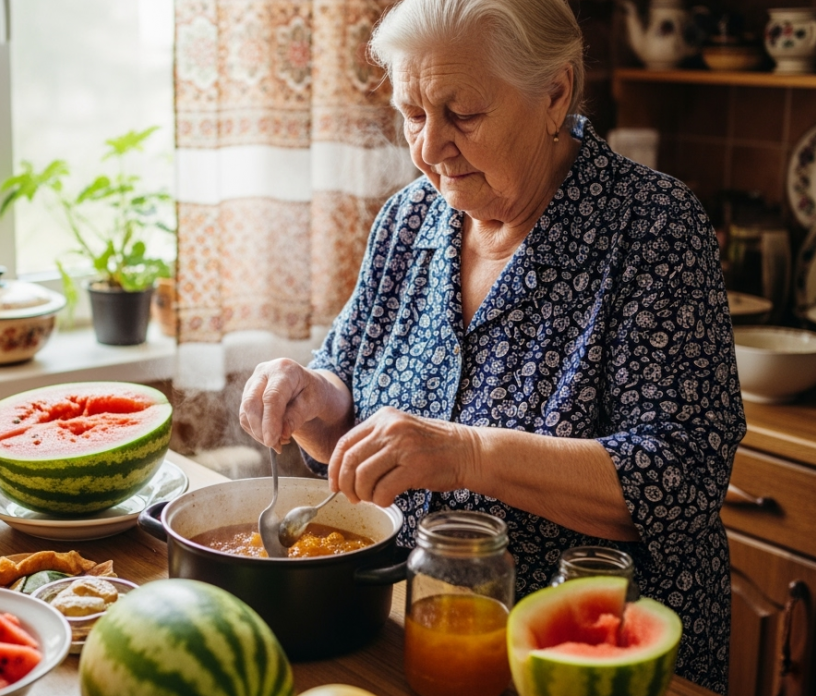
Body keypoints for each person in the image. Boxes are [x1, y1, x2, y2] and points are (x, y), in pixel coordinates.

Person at [238, 0, 745, 691]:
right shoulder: (409, 218)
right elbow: (347, 405)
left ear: (555, 92)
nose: (429, 148)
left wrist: (466, 452)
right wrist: (313, 397)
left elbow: (680, 479)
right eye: (413, 114)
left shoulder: (654, 230)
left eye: (463, 115)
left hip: (591, 661)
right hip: (416, 634)